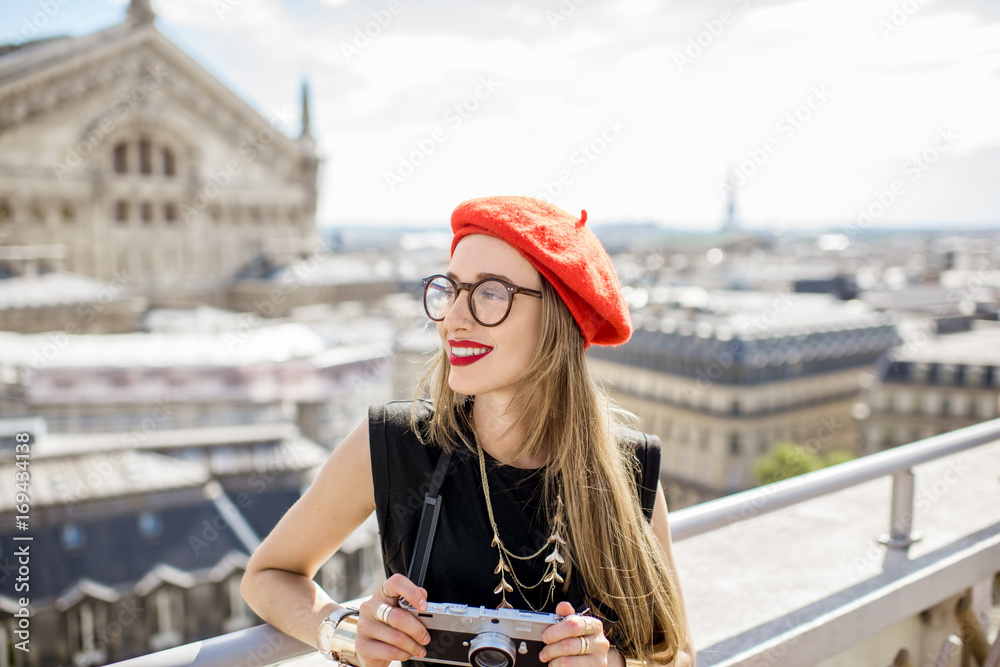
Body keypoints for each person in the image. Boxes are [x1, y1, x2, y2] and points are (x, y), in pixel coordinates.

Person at [241, 196, 695, 667]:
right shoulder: (397, 443)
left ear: (560, 320)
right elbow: (267, 574)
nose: (453, 319)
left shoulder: (629, 467)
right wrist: (343, 630)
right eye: (451, 290)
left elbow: (679, 656)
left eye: (491, 293)